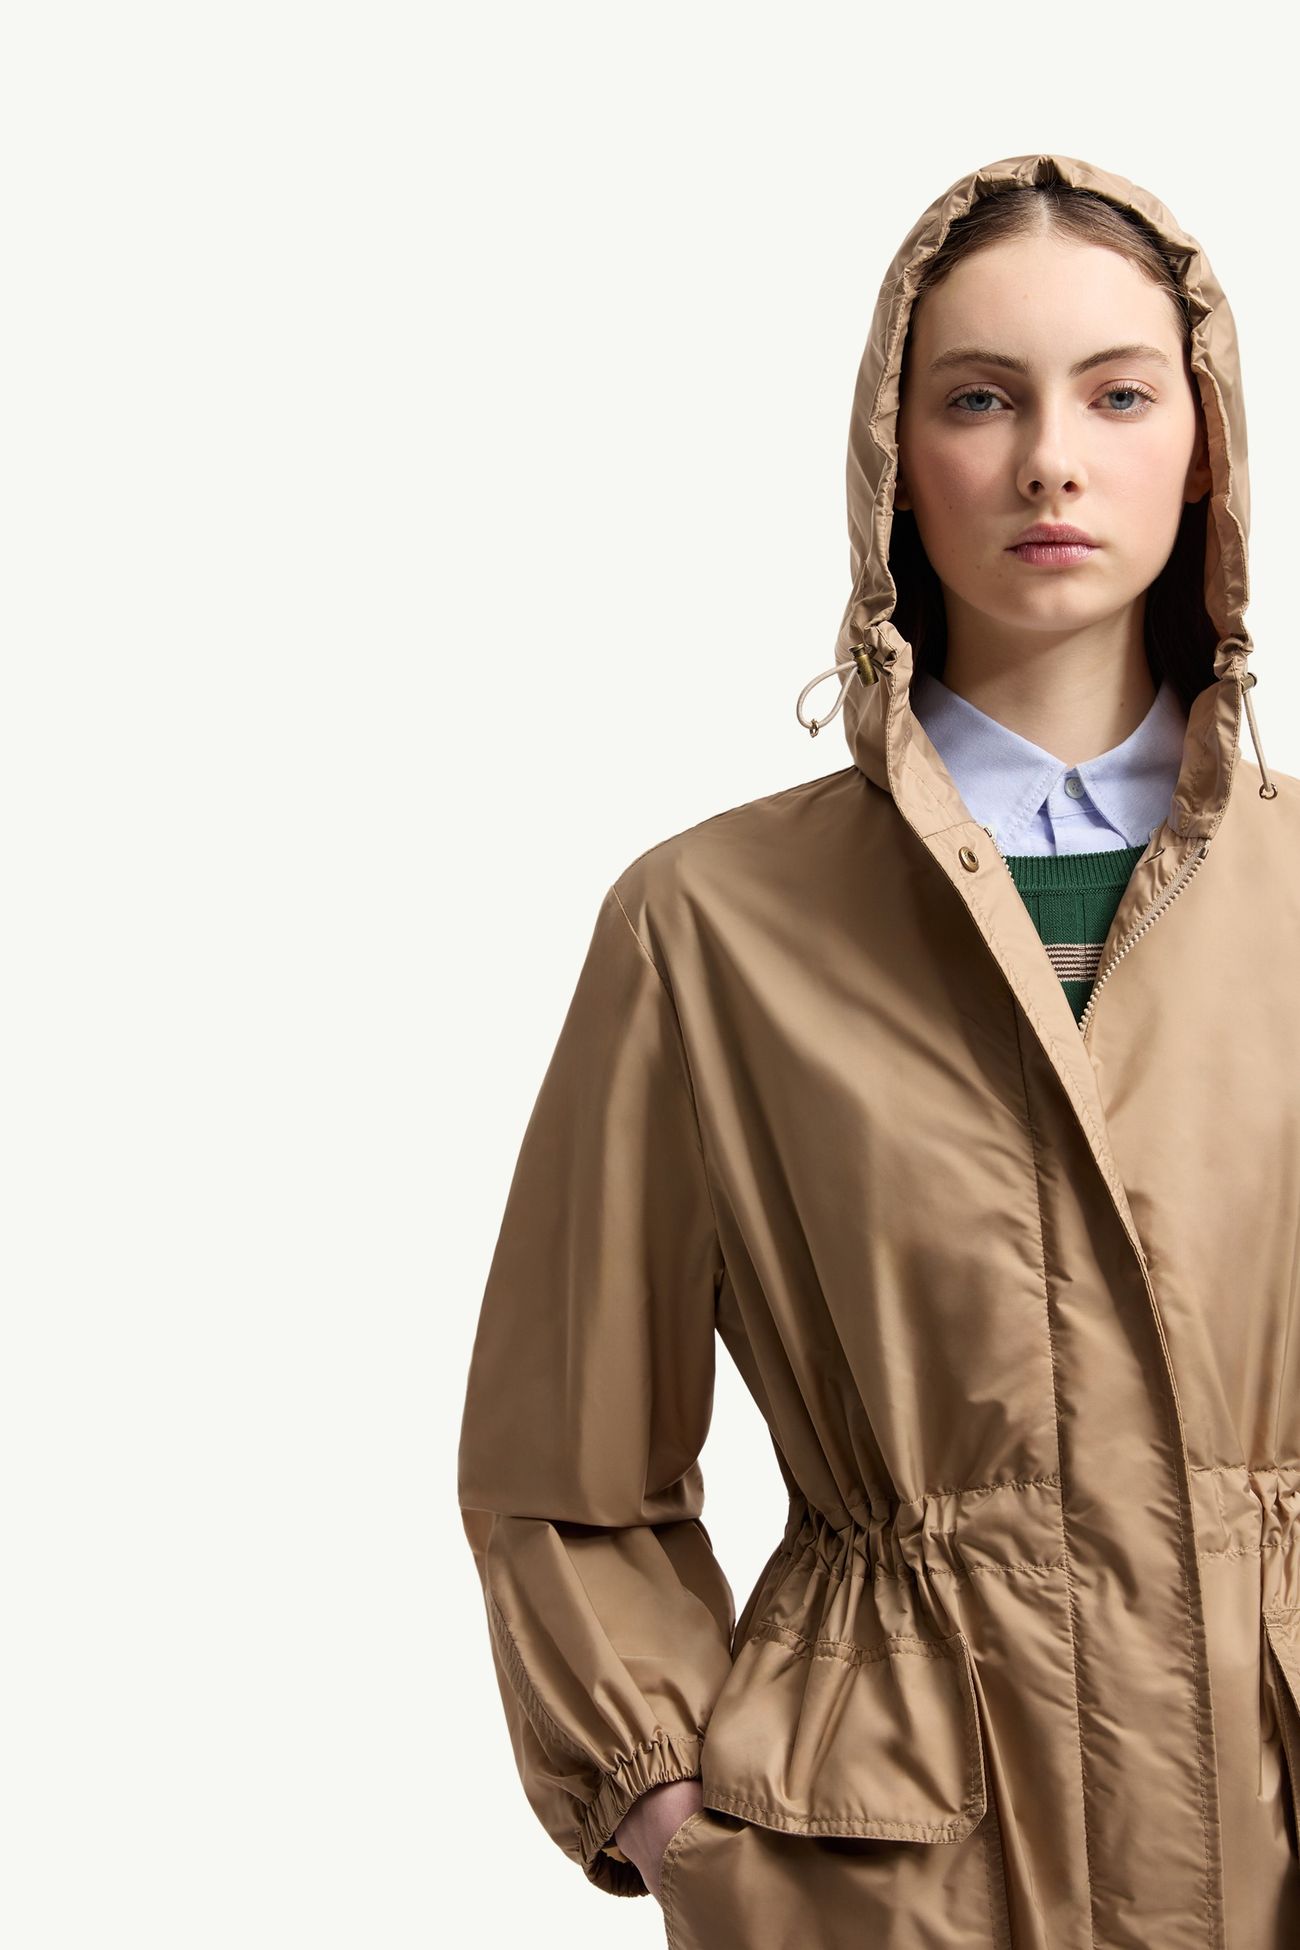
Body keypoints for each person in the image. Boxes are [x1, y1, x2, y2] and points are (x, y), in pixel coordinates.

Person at [456, 151, 1299, 1949]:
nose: (1051, 459)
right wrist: (679, 1809)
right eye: (980, 399)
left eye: (1118, 394)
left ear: (1203, 447)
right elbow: (563, 1465)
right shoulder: (712, 924)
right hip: (894, 1873)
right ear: (893, 460)